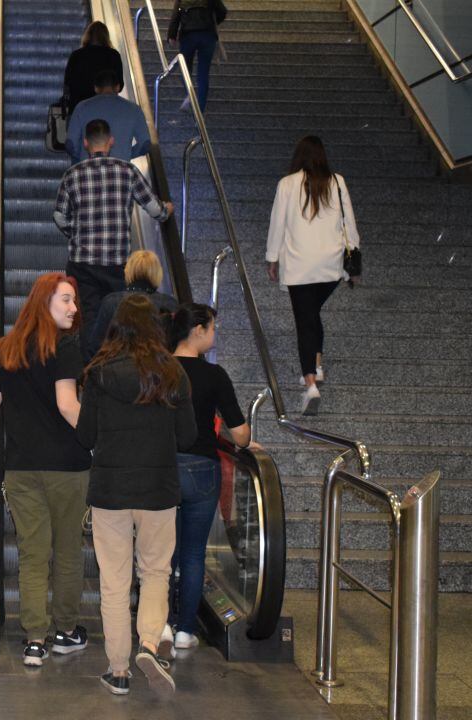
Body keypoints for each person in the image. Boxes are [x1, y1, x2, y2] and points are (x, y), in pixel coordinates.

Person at [0, 273, 91, 668]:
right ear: (43, 302)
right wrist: (100, 437)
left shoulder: (10, 348)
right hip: (68, 467)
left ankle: (35, 640)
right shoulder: (65, 348)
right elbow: (68, 405)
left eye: (74, 300)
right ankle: (66, 631)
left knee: (33, 554)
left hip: (22, 470)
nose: (74, 308)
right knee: (67, 551)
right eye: (66, 300)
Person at [77, 295, 196, 697]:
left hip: (110, 490)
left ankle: (118, 670)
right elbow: (189, 436)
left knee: (113, 582)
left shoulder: (98, 373)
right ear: (156, 328)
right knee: (155, 572)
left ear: (116, 326)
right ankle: (149, 645)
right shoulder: (174, 372)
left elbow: (84, 435)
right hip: (159, 489)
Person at [168, 303, 256, 651]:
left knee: (158, 553)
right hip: (202, 469)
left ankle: (157, 624)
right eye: (213, 328)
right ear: (199, 330)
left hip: (162, 468)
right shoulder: (214, 376)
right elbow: (241, 436)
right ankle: (185, 630)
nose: (214, 334)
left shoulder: (158, 369)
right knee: (192, 554)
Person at [54, 118, 174, 352]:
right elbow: (155, 210)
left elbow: (59, 216)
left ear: (86, 143)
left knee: (87, 317)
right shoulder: (128, 171)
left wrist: (75, 233)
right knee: (119, 316)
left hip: (82, 263)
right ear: (111, 141)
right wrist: (166, 210)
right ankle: (115, 364)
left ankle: (89, 369)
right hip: (117, 264)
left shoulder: (73, 174)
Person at [265, 135, 360, 415]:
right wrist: (355, 261)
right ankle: (316, 366)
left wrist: (272, 258)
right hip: (330, 267)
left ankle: (310, 385)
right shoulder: (337, 181)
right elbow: (349, 221)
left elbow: (277, 223)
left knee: (305, 321)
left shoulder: (287, 184)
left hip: (299, 267)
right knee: (311, 314)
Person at [85, 249, 178, 360]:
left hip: (118, 371)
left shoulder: (111, 302)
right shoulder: (170, 304)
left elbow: (95, 346)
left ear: (128, 271)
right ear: (158, 273)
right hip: (159, 370)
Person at [65, 69, 151, 166]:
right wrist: (126, 155)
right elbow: (145, 144)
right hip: (120, 171)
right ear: (118, 87)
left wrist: (81, 157)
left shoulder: (81, 107)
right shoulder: (134, 109)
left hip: (87, 170)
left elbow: (70, 144)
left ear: (96, 88)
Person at [167, 0, 227, 112]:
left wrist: (172, 35)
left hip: (188, 36)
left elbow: (176, 15)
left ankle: (189, 95)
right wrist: (211, 22)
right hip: (207, 36)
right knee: (203, 74)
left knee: (185, 69)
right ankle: (200, 109)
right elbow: (222, 11)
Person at [63, 21, 124, 114]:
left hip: (79, 108)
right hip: (106, 108)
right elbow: (120, 85)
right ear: (106, 36)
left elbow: (67, 81)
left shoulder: (77, 55)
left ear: (88, 35)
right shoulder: (113, 55)